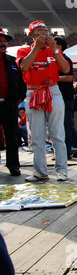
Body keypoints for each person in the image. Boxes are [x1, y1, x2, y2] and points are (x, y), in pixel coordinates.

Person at [17, 21, 69, 181]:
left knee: (57, 134)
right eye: (40, 31)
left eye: (46, 31)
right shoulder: (24, 50)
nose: (45, 34)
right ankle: (40, 171)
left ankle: (62, 170)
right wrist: (35, 47)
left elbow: (66, 69)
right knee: (37, 136)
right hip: (33, 91)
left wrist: (54, 50)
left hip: (53, 90)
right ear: (31, 35)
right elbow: (24, 66)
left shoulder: (53, 50)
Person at [54, 36, 77, 160]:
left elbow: (69, 78)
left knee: (65, 124)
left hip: (65, 97)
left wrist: (52, 78)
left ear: (59, 47)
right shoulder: (55, 60)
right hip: (58, 96)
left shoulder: (65, 59)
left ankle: (66, 151)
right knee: (65, 124)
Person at [0, 28, 26, 176]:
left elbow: (22, 82)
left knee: (12, 137)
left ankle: (13, 165)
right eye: (0, 41)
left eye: (5, 41)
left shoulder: (12, 61)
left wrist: (20, 98)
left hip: (9, 104)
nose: (3, 44)